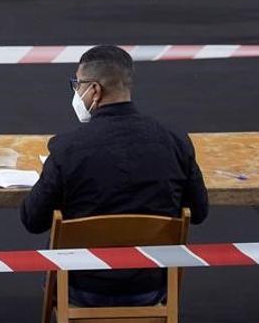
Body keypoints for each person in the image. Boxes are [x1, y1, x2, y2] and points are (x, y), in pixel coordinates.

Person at [22, 46, 209, 308]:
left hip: (83, 289)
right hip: (151, 288)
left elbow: (32, 219)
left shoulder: (67, 149)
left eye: (77, 84)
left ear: (95, 90)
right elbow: (199, 212)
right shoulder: (175, 141)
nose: (76, 92)